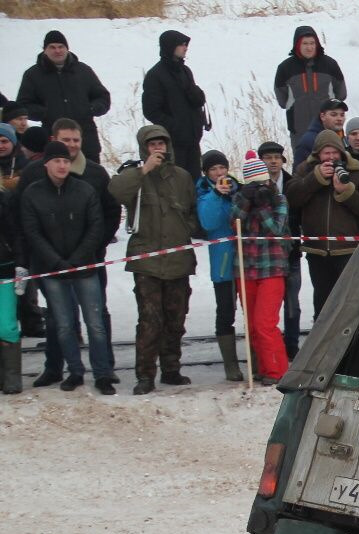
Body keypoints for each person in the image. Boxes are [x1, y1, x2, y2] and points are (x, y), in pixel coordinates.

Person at [12, 118, 119, 386]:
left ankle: (105, 370)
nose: (70, 147)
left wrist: (91, 251)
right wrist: (49, 260)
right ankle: (61, 369)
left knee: (97, 317)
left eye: (75, 140)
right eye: (65, 140)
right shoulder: (33, 176)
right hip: (49, 263)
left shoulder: (93, 175)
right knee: (61, 319)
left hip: (88, 260)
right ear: (53, 142)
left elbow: (106, 216)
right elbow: (26, 224)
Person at [108, 124, 198, 394]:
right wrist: (143, 169)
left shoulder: (182, 176)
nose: (158, 148)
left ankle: (171, 370)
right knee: (149, 321)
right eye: (152, 144)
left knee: (176, 320)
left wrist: (186, 229)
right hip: (146, 262)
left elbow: (193, 210)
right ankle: (145, 375)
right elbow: (115, 191)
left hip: (178, 259)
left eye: (162, 143)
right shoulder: (134, 175)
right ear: (144, 147)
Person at [286, 129, 359, 317]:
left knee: (349, 303)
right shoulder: (305, 170)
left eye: (335, 152)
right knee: (323, 302)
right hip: (316, 250)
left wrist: (347, 192)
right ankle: (322, 343)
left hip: (348, 250)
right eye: (327, 153)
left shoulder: (357, 172)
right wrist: (315, 179)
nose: (331, 157)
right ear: (317, 154)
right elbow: (293, 198)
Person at [230, 150, 291, 382]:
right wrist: (246, 200)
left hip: (272, 269)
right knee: (254, 326)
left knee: (265, 323)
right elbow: (234, 224)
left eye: (262, 182)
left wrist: (264, 205)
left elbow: (275, 230)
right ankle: (264, 368)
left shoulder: (279, 199)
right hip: (245, 270)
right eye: (254, 184)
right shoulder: (240, 199)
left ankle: (278, 371)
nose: (260, 186)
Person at [16, 31, 112, 163]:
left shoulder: (83, 71)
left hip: (86, 141)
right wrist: (45, 113)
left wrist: (91, 108)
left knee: (92, 179)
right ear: (45, 50)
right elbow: (23, 105)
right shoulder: (33, 75)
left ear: (67, 49)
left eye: (61, 47)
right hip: (53, 142)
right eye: (52, 47)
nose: (57, 51)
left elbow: (102, 96)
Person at [195, 149, 244, 380]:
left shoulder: (239, 189)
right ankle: (230, 364)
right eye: (214, 169)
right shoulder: (204, 194)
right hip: (222, 262)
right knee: (226, 311)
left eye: (222, 168)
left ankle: (256, 358)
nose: (219, 173)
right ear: (207, 173)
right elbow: (208, 222)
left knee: (252, 310)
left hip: (246, 259)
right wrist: (216, 194)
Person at [141, 30, 207, 178]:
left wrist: (197, 96)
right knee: (177, 184)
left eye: (186, 44)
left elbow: (195, 101)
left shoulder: (185, 71)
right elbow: (151, 110)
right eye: (182, 44)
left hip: (193, 140)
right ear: (170, 47)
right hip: (173, 144)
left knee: (194, 184)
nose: (185, 48)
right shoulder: (155, 75)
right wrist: (174, 128)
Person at [257, 140, 301, 357]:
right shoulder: (254, 185)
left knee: (292, 302)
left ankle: (292, 346)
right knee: (267, 305)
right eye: (268, 158)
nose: (273, 161)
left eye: (276, 157)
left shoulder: (293, 183)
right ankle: (270, 348)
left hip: (290, 253)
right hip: (264, 255)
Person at [272, 26, 345, 143]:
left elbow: (341, 94)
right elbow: (282, 100)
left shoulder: (330, 64)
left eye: (312, 43)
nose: (309, 47)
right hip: (299, 129)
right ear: (297, 45)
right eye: (305, 43)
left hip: (328, 129)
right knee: (302, 161)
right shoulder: (285, 68)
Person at [0, 183, 18, 394]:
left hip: (4, 268)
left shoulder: (6, 198)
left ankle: (12, 376)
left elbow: (17, 234)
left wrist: (21, 262)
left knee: (6, 325)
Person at [293, 97, 345, 169]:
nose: (339, 119)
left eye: (342, 115)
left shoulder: (344, 139)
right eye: (334, 115)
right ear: (322, 116)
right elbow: (298, 174)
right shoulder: (308, 141)